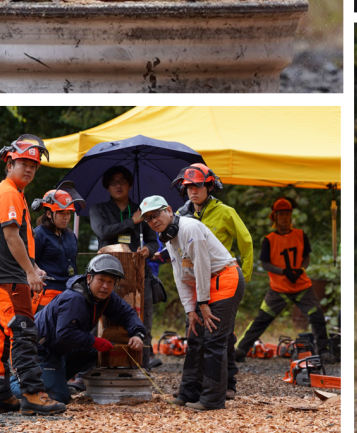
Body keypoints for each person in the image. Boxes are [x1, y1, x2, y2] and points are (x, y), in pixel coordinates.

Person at [0, 134, 65, 416]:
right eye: (23, 163)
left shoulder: (13, 193)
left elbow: (17, 240)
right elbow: (12, 237)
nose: (29, 169)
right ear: (9, 164)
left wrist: (33, 267)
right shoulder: (8, 193)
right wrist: (29, 272)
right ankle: (32, 395)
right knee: (23, 331)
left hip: (0, 275)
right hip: (7, 278)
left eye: (33, 166)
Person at [138, 195, 243, 411]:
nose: (153, 221)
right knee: (195, 338)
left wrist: (202, 303)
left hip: (225, 280)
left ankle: (212, 399)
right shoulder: (169, 238)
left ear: (168, 210)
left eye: (156, 214)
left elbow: (202, 266)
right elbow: (181, 275)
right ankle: (189, 393)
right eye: (148, 219)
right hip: (204, 285)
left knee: (214, 340)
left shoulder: (190, 228)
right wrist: (190, 310)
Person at [172, 162, 252, 397]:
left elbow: (246, 242)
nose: (193, 191)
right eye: (189, 187)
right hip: (196, 282)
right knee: (195, 334)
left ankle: (228, 384)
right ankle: (196, 387)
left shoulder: (226, 212)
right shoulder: (180, 215)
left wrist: (244, 276)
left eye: (198, 186)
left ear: (210, 187)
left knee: (221, 335)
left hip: (222, 280)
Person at [34, 253, 148, 405]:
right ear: (89, 278)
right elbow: (65, 333)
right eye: (101, 280)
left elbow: (127, 313)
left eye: (110, 282)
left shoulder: (106, 297)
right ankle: (17, 383)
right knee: (58, 398)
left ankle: (56, 380)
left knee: (94, 352)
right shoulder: (75, 298)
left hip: (58, 349)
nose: (105, 286)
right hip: (39, 349)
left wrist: (137, 333)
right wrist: (94, 340)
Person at [234, 198, 329, 362]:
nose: (285, 217)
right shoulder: (269, 239)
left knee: (317, 317)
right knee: (261, 320)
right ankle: (240, 350)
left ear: (291, 216)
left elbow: (306, 257)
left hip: (302, 287)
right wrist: (284, 271)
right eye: (281, 214)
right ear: (275, 217)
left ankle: (324, 353)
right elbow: (265, 264)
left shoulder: (300, 235)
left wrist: (301, 270)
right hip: (278, 289)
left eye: (287, 214)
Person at [90, 164, 160, 364]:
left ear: (130, 184)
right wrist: (132, 221)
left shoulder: (142, 211)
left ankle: (142, 367)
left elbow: (153, 241)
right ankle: (96, 365)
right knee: (101, 321)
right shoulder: (99, 209)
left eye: (122, 181)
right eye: (113, 182)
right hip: (107, 275)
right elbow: (103, 231)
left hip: (139, 274)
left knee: (143, 321)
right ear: (107, 187)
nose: (118, 186)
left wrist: (148, 250)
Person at [30, 182, 85, 314]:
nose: (66, 217)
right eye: (61, 212)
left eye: (68, 213)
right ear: (49, 213)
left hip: (70, 293)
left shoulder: (71, 235)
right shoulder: (39, 235)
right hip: (46, 296)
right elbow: (28, 262)